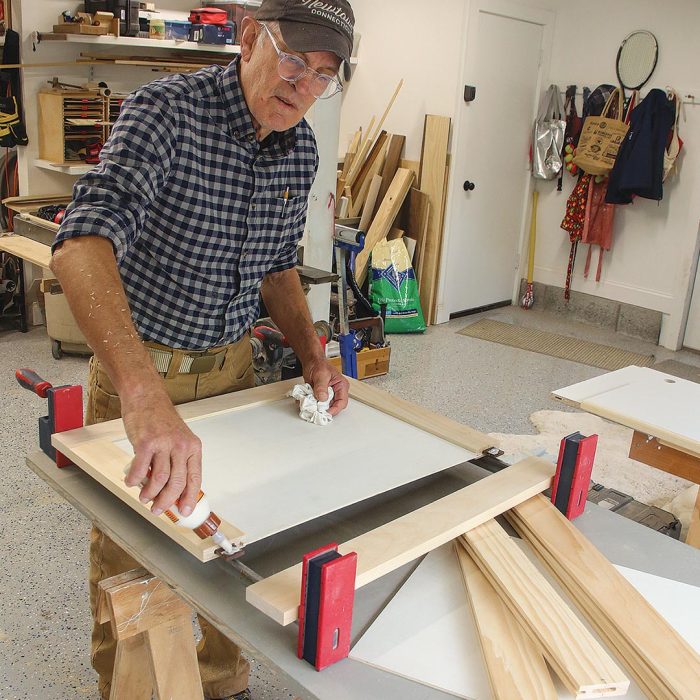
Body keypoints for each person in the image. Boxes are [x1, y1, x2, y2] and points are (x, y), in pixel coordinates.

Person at [50, 0, 355, 697]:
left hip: (236, 369)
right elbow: (80, 241)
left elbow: (277, 265)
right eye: (291, 61)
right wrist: (142, 393)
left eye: (321, 77)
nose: (301, 86)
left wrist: (311, 354)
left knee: (234, 541)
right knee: (133, 561)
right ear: (249, 37)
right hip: (143, 370)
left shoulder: (298, 146)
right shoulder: (165, 115)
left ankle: (224, 680)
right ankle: (127, 687)